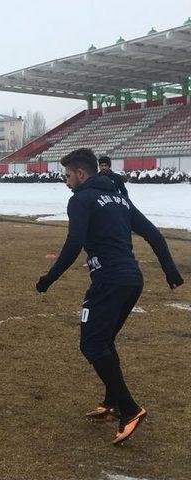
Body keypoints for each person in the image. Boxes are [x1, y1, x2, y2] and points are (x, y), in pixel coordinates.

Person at [35, 148, 184, 445]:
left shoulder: (81, 200)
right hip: (132, 280)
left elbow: (74, 243)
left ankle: (130, 409)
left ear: (80, 173)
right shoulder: (120, 199)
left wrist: (48, 279)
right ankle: (112, 401)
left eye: (67, 176)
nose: (65, 182)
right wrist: (171, 272)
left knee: (91, 344)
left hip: (109, 281)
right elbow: (154, 234)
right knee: (103, 341)